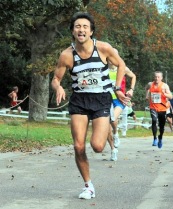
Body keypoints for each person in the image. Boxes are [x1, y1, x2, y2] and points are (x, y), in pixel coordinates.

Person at [51, 12, 130, 200]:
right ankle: (88, 185)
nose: (81, 30)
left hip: (101, 99)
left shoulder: (103, 48)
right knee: (78, 146)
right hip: (79, 100)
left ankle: (108, 138)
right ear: (72, 31)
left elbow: (121, 64)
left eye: (85, 27)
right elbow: (55, 78)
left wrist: (118, 87)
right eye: (78, 26)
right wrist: (58, 88)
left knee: (97, 146)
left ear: (91, 31)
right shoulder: (67, 55)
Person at [107, 49, 136, 161]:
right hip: (106, 99)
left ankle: (115, 133)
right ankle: (113, 149)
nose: (111, 59)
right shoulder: (103, 69)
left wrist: (131, 89)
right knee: (105, 128)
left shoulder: (122, 68)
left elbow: (133, 76)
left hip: (119, 99)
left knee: (113, 119)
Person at [146, 71, 173, 148]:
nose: (156, 78)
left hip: (162, 107)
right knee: (154, 120)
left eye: (158, 77)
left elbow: (171, 96)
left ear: (161, 78)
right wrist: (147, 95)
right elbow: (147, 89)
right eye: (155, 77)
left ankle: (160, 137)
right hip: (153, 107)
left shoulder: (164, 86)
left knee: (162, 125)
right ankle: (154, 138)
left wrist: (165, 94)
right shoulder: (150, 84)